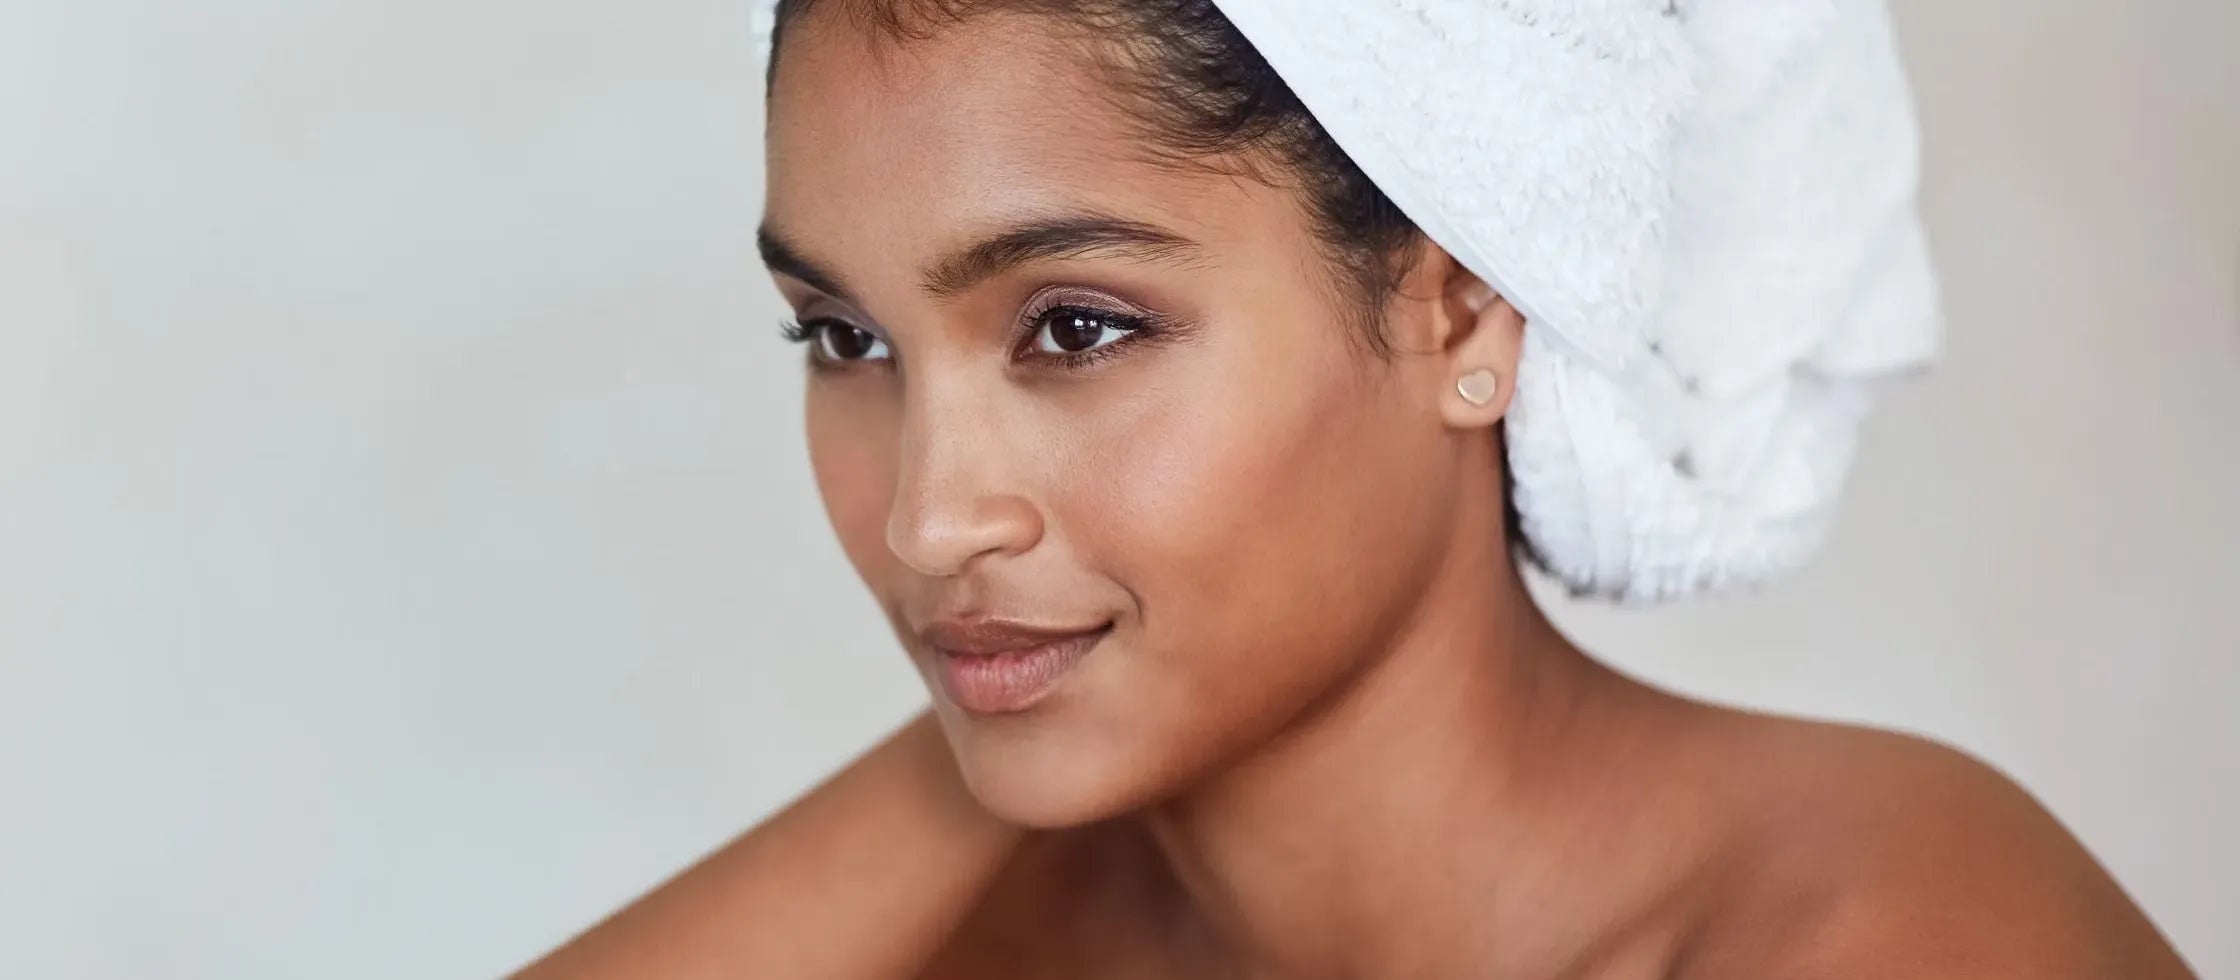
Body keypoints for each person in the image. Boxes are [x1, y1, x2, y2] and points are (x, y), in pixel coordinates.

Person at [517, 1, 2196, 976]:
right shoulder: (987, 924)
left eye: (1077, 326)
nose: (926, 520)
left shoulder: (1883, 933)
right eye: (844, 340)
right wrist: (1013, 681)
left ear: (1460, 304)